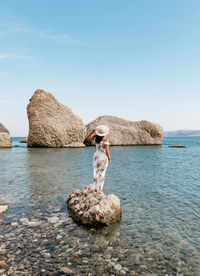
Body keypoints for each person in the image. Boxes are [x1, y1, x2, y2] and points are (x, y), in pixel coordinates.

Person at [86, 125, 111, 194]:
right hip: (103, 157)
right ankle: (100, 190)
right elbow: (107, 151)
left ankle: (95, 188)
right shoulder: (105, 139)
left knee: (96, 172)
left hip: (96, 156)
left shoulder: (95, 138)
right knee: (102, 173)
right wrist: (109, 159)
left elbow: (87, 137)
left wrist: (92, 131)